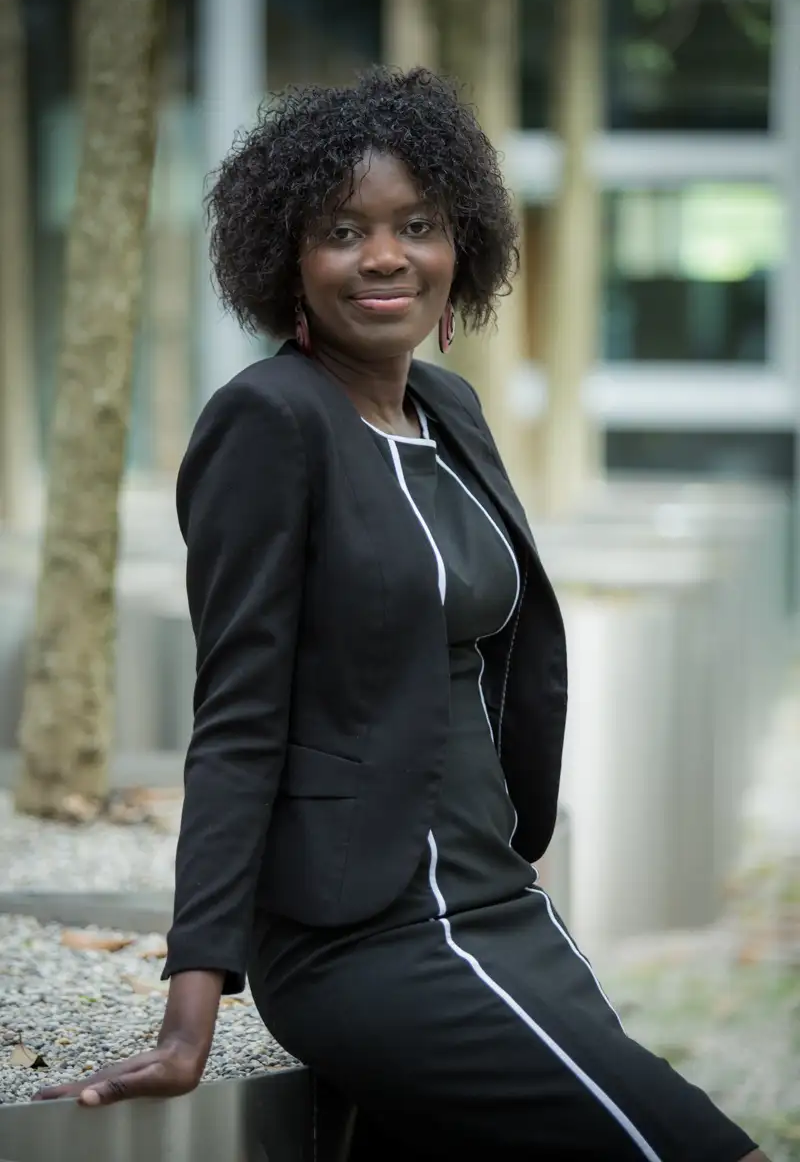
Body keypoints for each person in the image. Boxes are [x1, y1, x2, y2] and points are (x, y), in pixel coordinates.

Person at [35, 67, 767, 1162]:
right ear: (287, 256)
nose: (384, 256)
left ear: (456, 242)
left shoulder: (449, 410)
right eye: (342, 230)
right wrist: (191, 1010)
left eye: (415, 225)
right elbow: (236, 719)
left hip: (498, 906)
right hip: (366, 940)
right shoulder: (266, 423)